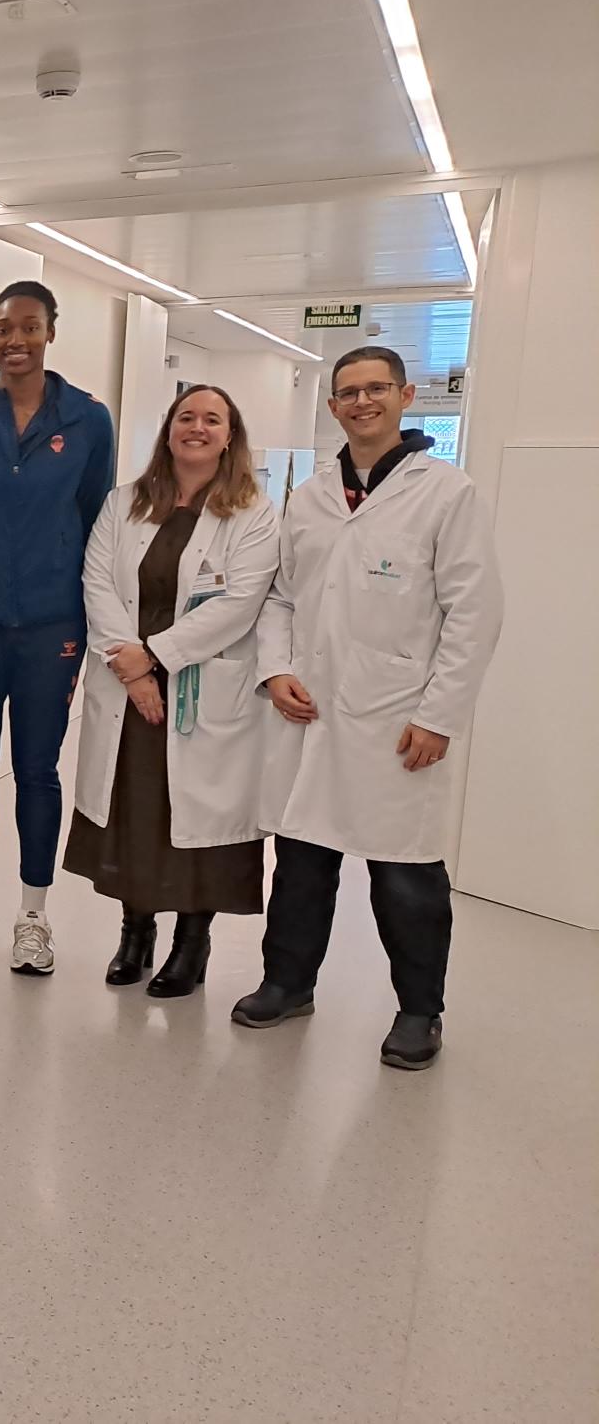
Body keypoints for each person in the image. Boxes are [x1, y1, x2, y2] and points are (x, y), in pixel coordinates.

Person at [234, 346, 502, 1069]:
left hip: (396, 717)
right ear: (332, 407)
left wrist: (440, 714)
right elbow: (282, 597)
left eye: (376, 388)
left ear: (406, 395)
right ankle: (288, 982)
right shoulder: (311, 496)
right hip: (311, 711)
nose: (362, 402)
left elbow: (473, 614)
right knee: (300, 863)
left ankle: (420, 1011)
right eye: (348, 392)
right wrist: (277, 669)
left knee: (405, 877)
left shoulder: (447, 493)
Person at [64, 386, 279, 996]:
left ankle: (192, 943)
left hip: (201, 687)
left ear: (230, 435)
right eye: (187, 417)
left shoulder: (253, 511)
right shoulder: (125, 503)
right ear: (168, 430)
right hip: (130, 690)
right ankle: (135, 935)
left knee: (196, 821)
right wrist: (132, 671)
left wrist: (155, 656)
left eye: (213, 419)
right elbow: (97, 583)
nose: (198, 427)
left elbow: (240, 604)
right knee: (135, 814)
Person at [0, 280, 114, 975]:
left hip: (51, 625)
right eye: (4, 328)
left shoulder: (88, 419)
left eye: (29, 327)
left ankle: (34, 917)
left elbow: (96, 519)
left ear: (50, 333)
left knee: (38, 769)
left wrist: (46, 565)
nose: (15, 341)